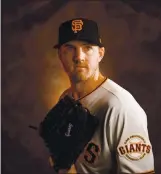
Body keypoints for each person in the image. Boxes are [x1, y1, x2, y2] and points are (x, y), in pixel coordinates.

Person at [53, 18, 155, 174]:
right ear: (60, 54)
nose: (79, 57)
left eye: (87, 48)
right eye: (70, 48)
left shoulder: (122, 108)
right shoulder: (66, 99)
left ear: (100, 54)